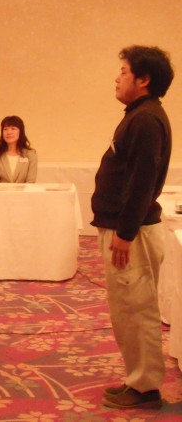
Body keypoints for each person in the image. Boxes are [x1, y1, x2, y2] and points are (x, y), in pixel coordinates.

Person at [91, 45, 174, 409]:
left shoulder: (145, 120)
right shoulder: (141, 116)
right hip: (130, 231)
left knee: (137, 311)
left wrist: (125, 233)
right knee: (128, 310)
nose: (117, 78)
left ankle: (145, 388)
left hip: (133, 235)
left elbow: (142, 181)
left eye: (123, 71)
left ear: (143, 79)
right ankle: (139, 380)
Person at [0, 115, 37, 183]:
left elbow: (31, 182)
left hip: (24, 190)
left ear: (21, 132)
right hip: (1, 190)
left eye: (13, 129)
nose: (9, 132)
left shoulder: (31, 154)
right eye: (5, 129)